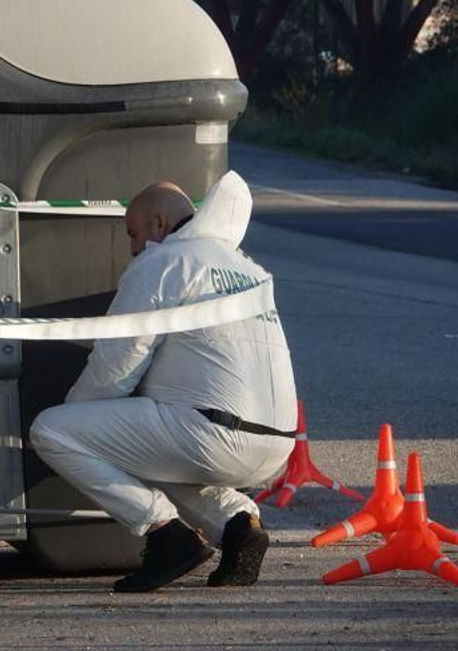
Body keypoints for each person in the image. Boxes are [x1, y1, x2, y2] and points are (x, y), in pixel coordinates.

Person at [29, 171, 298, 593]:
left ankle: (164, 535)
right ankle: (238, 525)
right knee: (147, 443)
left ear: (158, 224)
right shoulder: (248, 267)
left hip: (211, 435)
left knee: (52, 431)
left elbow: (119, 362)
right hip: (276, 446)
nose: (134, 248)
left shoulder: (164, 262)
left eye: (134, 234)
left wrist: (78, 416)